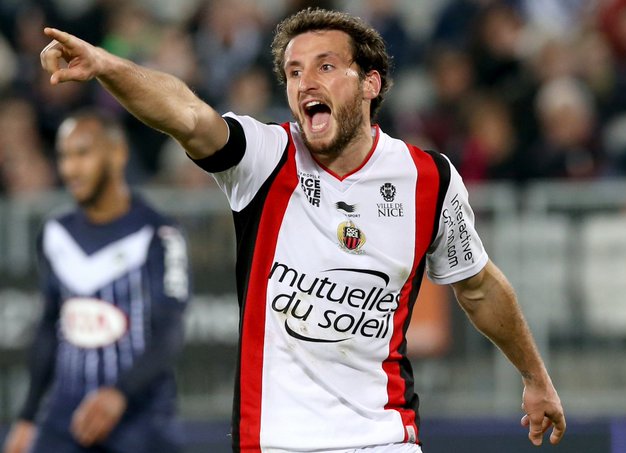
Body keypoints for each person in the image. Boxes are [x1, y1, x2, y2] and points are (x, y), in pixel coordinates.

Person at [36, 7, 566, 452]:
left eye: (326, 66)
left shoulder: (430, 180)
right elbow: (187, 115)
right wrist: (106, 65)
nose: (305, 82)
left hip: (382, 439)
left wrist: (535, 377)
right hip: (274, 442)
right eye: (293, 72)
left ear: (370, 83)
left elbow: (478, 285)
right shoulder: (265, 159)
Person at [2, 109, 191, 453]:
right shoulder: (55, 233)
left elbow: (169, 331)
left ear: (117, 154)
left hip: (140, 418)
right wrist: (28, 416)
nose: (70, 168)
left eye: (83, 153)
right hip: (66, 418)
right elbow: (49, 328)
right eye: (64, 156)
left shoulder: (159, 234)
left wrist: (120, 393)